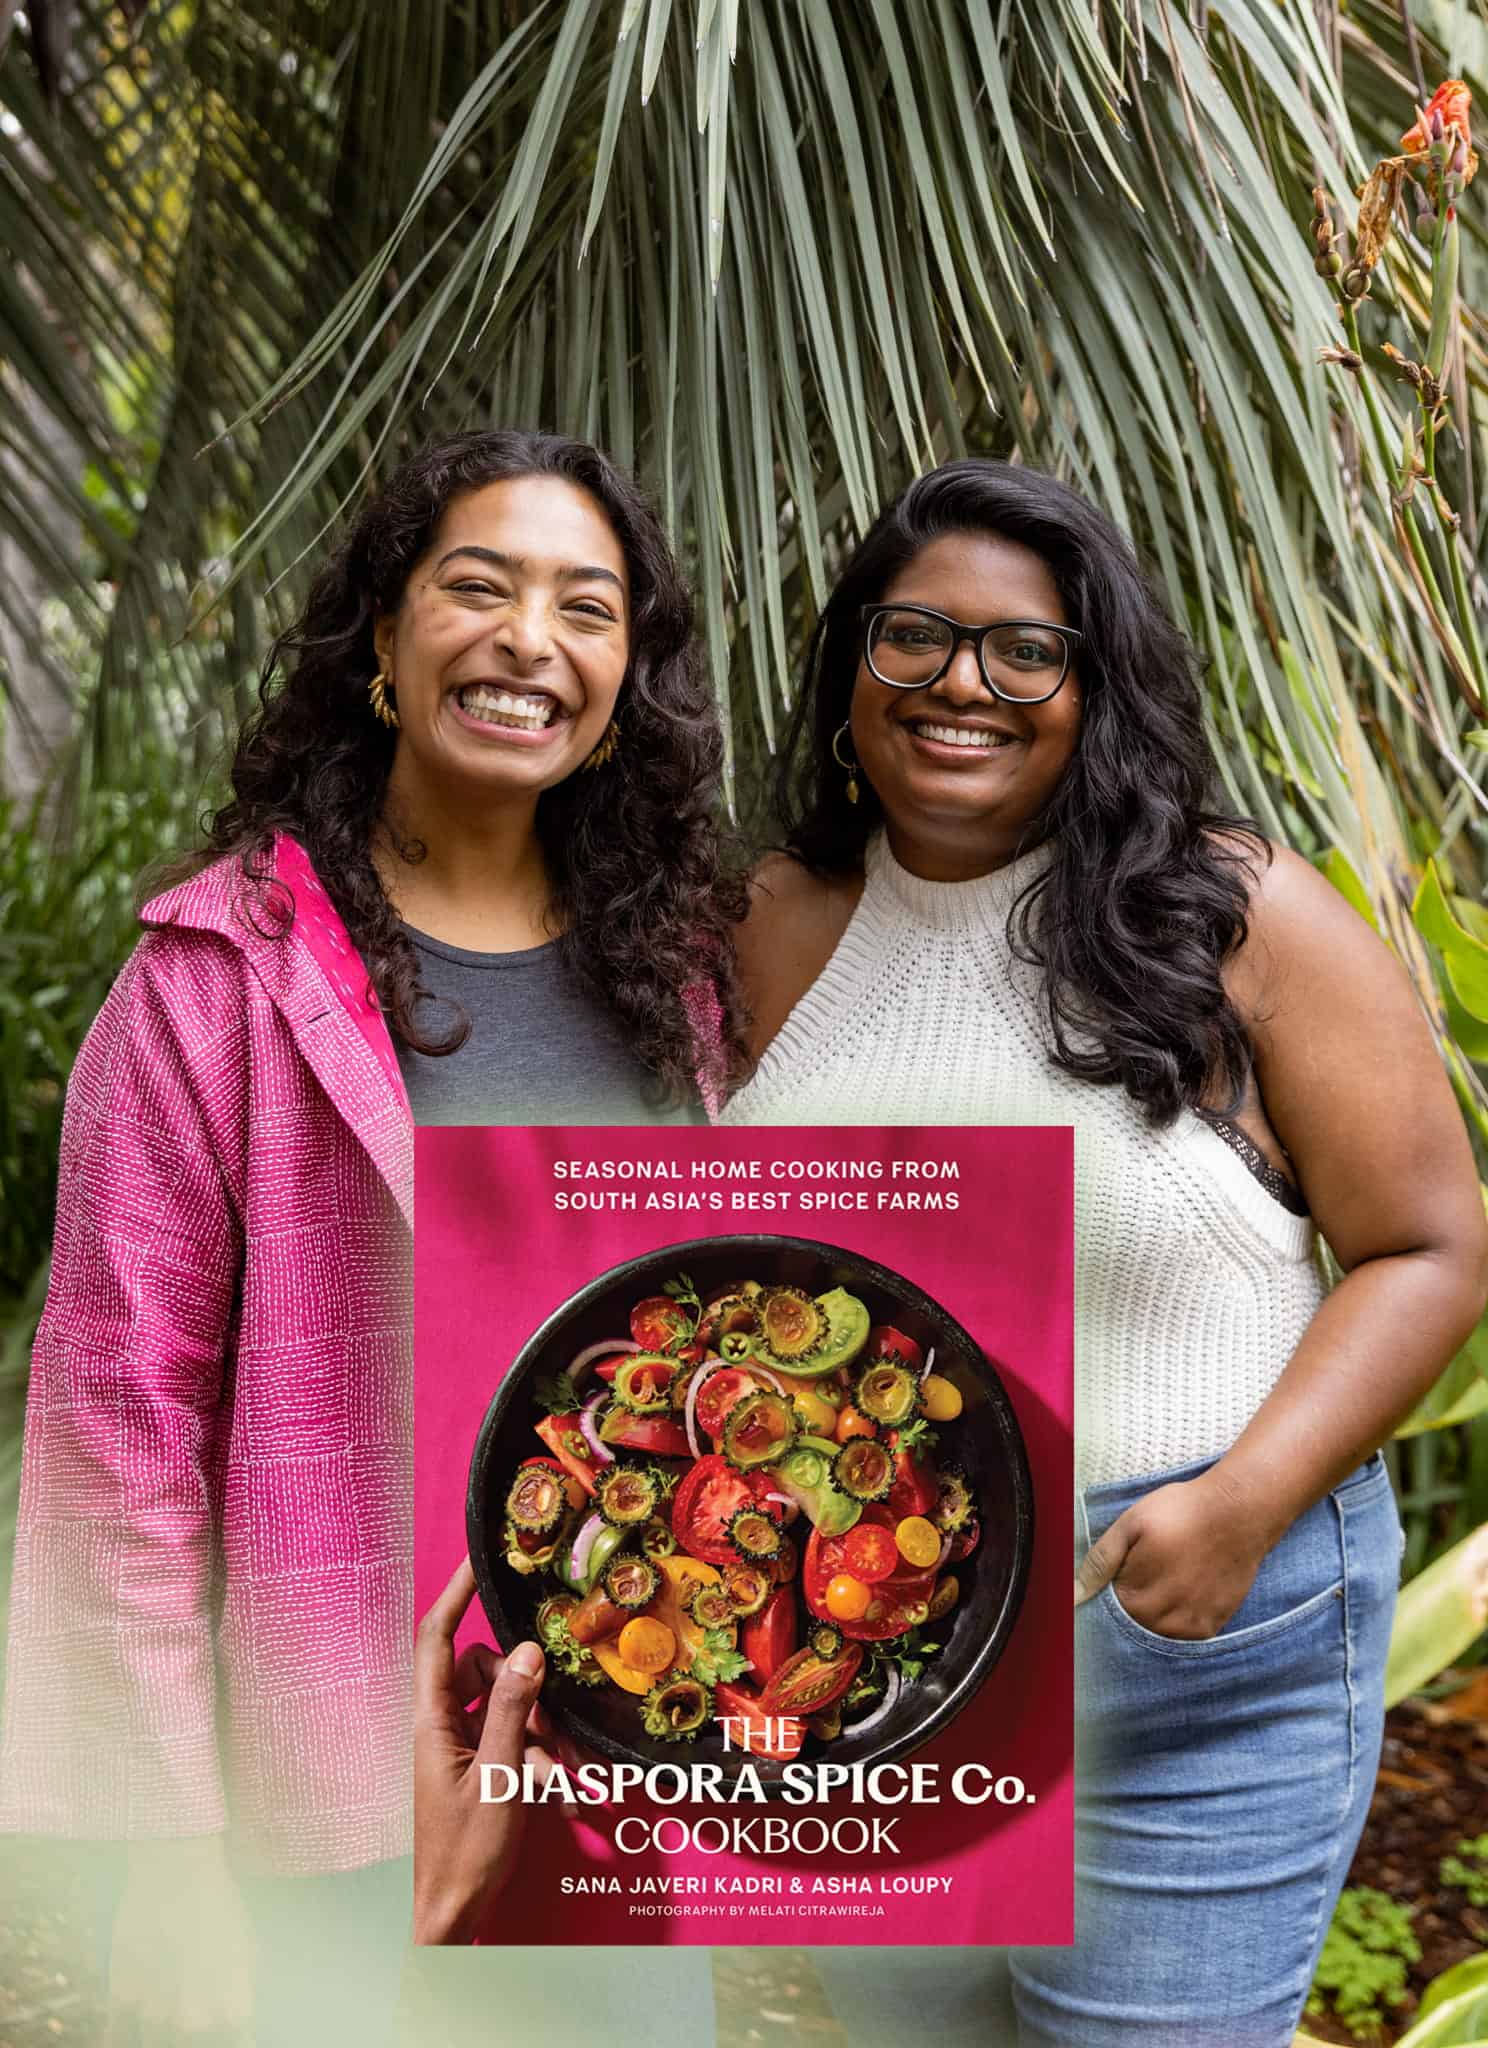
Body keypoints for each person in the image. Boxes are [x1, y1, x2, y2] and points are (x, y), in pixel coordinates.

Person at [723, 458, 1488, 2046]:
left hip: (1193, 1615)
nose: (962, 686)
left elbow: (1431, 1248)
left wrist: (1246, 1504)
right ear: (852, 661)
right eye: (914, 637)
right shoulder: (762, 927)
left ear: (1094, 686)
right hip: (879, 1652)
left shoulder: (1232, 915)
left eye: (1025, 651)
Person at [0, 429, 742, 2044]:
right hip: (317, 1790)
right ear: (386, 645)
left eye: (587, 607)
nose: (529, 639)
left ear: (626, 679)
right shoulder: (214, 981)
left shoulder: (678, 989)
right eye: (476, 587)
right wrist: (170, 1862)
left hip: (615, 1762)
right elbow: (112, 1438)